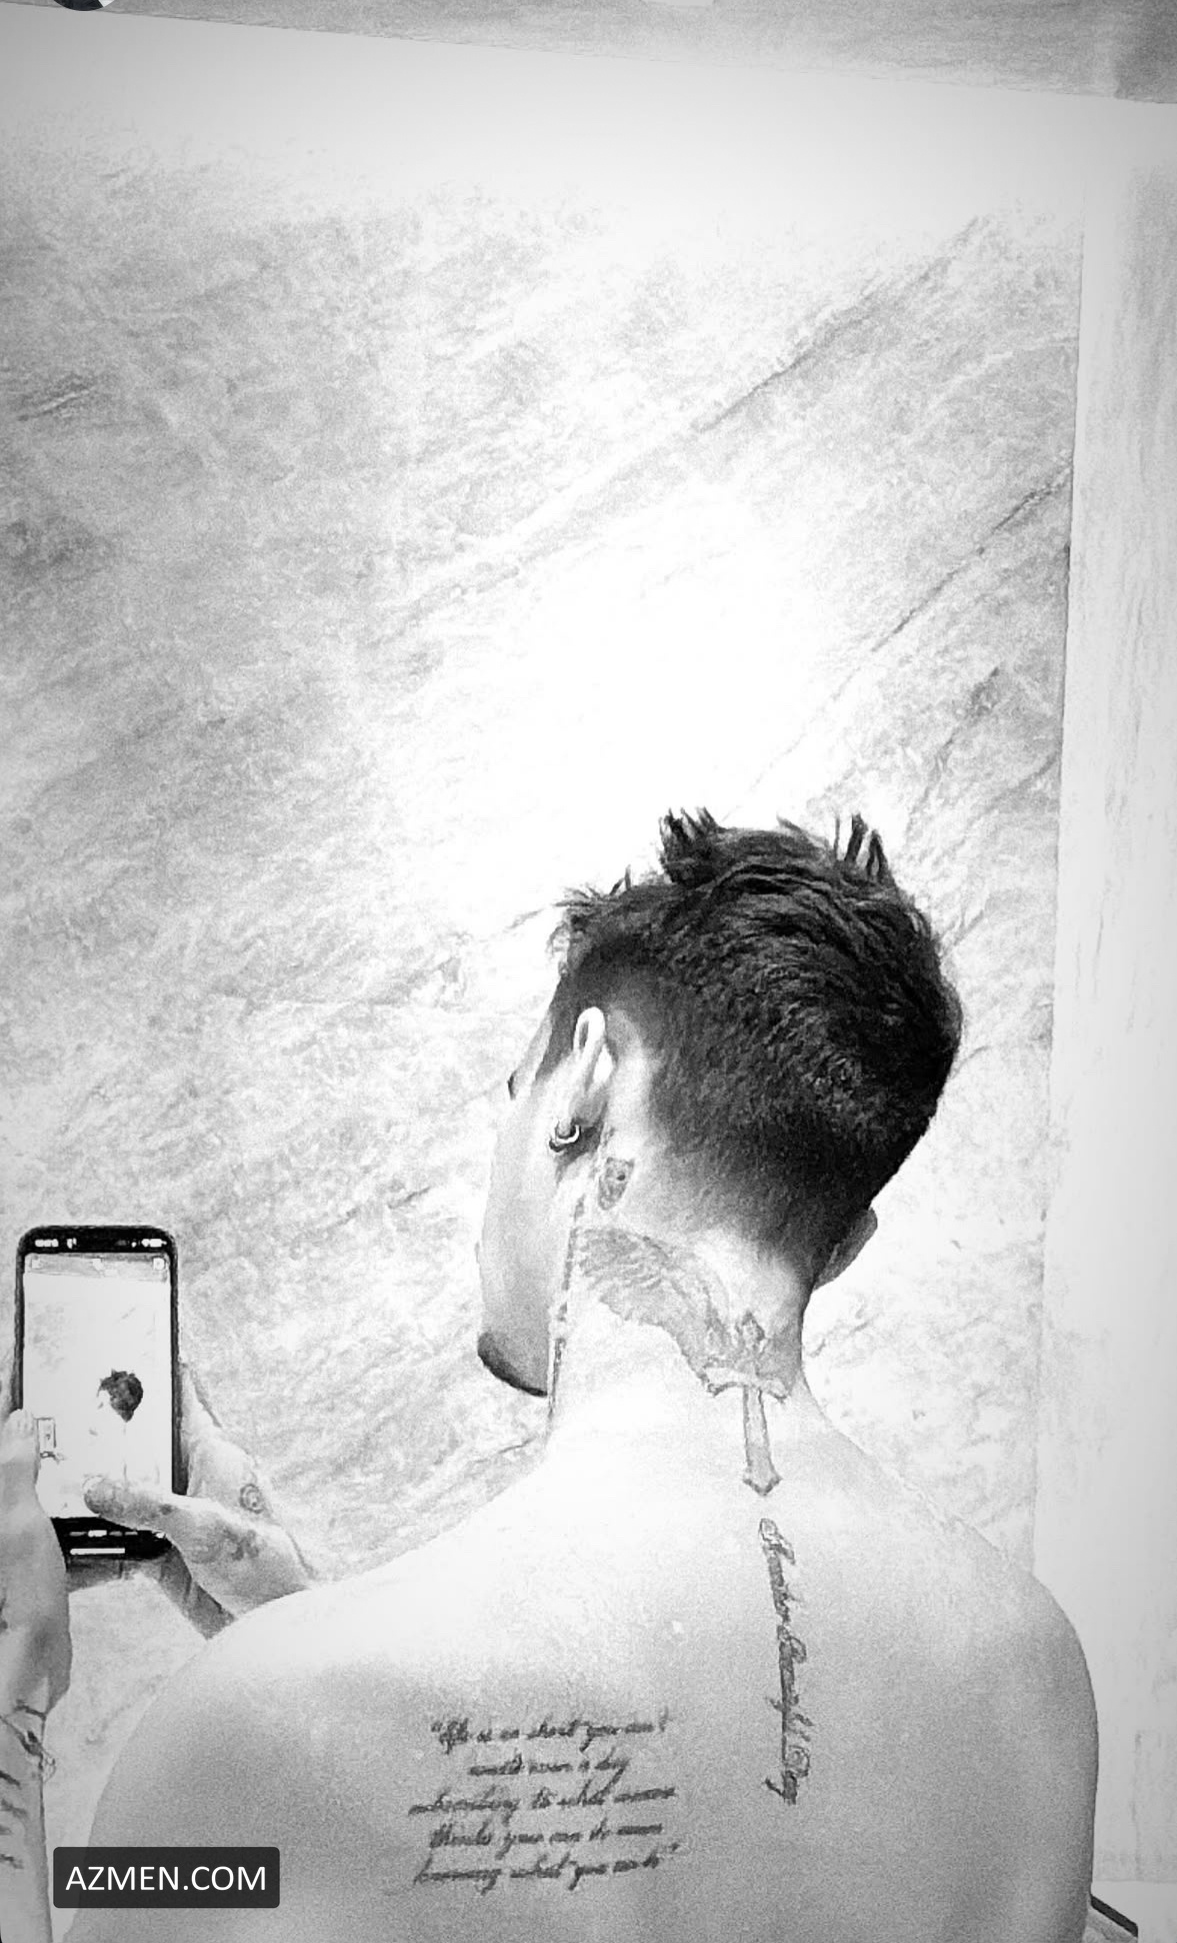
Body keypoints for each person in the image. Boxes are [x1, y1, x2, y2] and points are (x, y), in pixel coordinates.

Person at [0, 812, 1098, 1942]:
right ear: (844, 1242)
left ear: (583, 1078)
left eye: (512, 1088)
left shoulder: (260, 1727)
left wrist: (14, 1694)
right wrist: (305, 1619)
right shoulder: (1032, 1680)